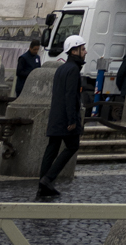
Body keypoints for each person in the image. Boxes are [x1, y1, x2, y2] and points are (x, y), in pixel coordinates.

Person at [35, 38, 91, 198]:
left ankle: (43, 186)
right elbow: (70, 96)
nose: (85, 51)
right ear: (74, 51)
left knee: (52, 148)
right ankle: (48, 179)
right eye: (83, 48)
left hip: (56, 115)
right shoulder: (73, 69)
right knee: (72, 146)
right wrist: (72, 120)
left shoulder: (62, 68)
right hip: (66, 117)